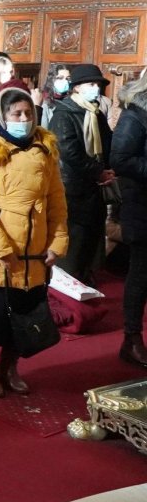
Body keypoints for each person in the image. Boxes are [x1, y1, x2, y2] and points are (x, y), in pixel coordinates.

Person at [0, 80, 68, 397]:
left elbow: (57, 202)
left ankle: (10, 367)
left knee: (23, 316)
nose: (23, 120)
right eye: (16, 114)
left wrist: (57, 242)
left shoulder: (44, 148)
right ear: (1, 115)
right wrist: (1, 247)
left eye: (28, 113)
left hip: (33, 250)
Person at [49, 64, 114, 286]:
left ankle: (84, 273)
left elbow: (107, 143)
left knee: (90, 235)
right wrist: (97, 171)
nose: (95, 88)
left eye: (98, 84)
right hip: (71, 186)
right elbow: (69, 152)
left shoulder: (94, 111)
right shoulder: (64, 113)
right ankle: (70, 279)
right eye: (91, 84)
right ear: (76, 87)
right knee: (74, 236)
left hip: (92, 184)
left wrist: (109, 168)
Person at [112, 70, 147, 369]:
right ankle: (131, 338)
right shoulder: (136, 114)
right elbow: (120, 158)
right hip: (143, 206)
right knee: (140, 275)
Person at [38, 64, 71, 131]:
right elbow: (44, 131)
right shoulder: (44, 102)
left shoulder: (71, 100)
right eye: (60, 78)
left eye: (67, 78)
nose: (65, 81)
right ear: (52, 79)